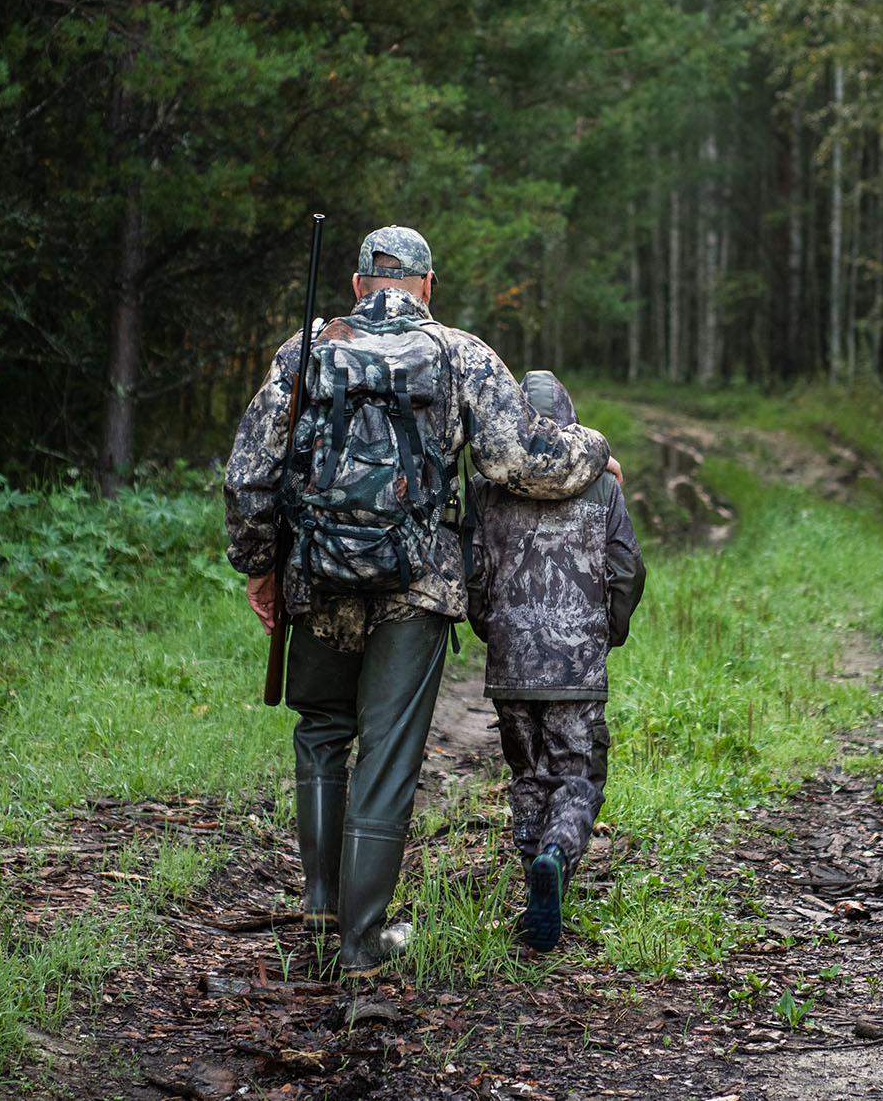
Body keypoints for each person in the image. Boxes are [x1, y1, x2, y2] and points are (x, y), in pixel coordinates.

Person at [224, 225, 620, 982]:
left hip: (317, 573)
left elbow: (249, 474)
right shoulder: (459, 353)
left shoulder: (304, 349)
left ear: (356, 284)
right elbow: (521, 458)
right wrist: (596, 449)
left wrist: (260, 567)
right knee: (388, 755)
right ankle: (363, 941)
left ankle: (319, 908)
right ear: (426, 286)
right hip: (416, 583)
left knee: (321, 731)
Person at [466, 370, 644, 953]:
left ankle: (533, 889)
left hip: (511, 663)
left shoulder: (487, 487)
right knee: (578, 775)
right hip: (576, 666)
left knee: (527, 776)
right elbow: (626, 569)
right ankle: (554, 861)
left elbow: (472, 573)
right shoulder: (602, 486)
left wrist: (490, 628)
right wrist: (607, 632)